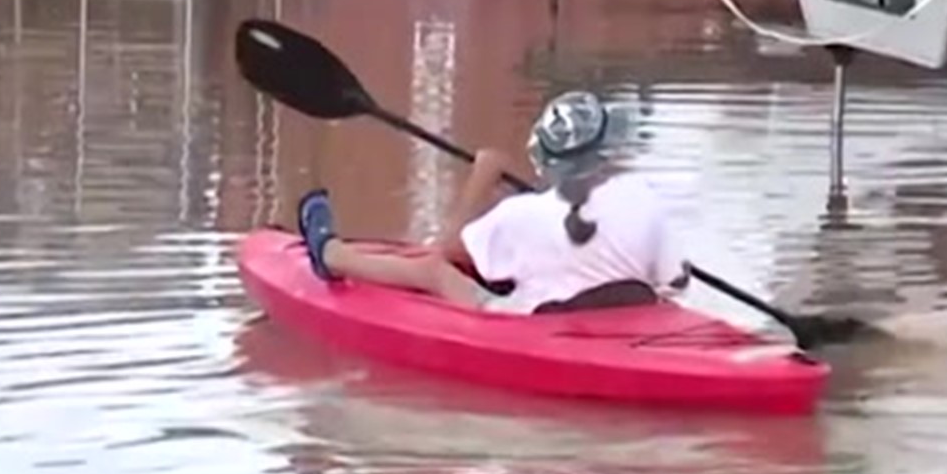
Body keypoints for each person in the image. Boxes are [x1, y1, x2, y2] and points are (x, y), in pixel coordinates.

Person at [295, 90, 692, 315]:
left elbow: (444, 252)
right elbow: (678, 281)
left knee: (432, 270)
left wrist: (482, 177)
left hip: (536, 325)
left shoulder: (523, 215)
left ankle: (331, 256)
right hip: (623, 319)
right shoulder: (643, 198)